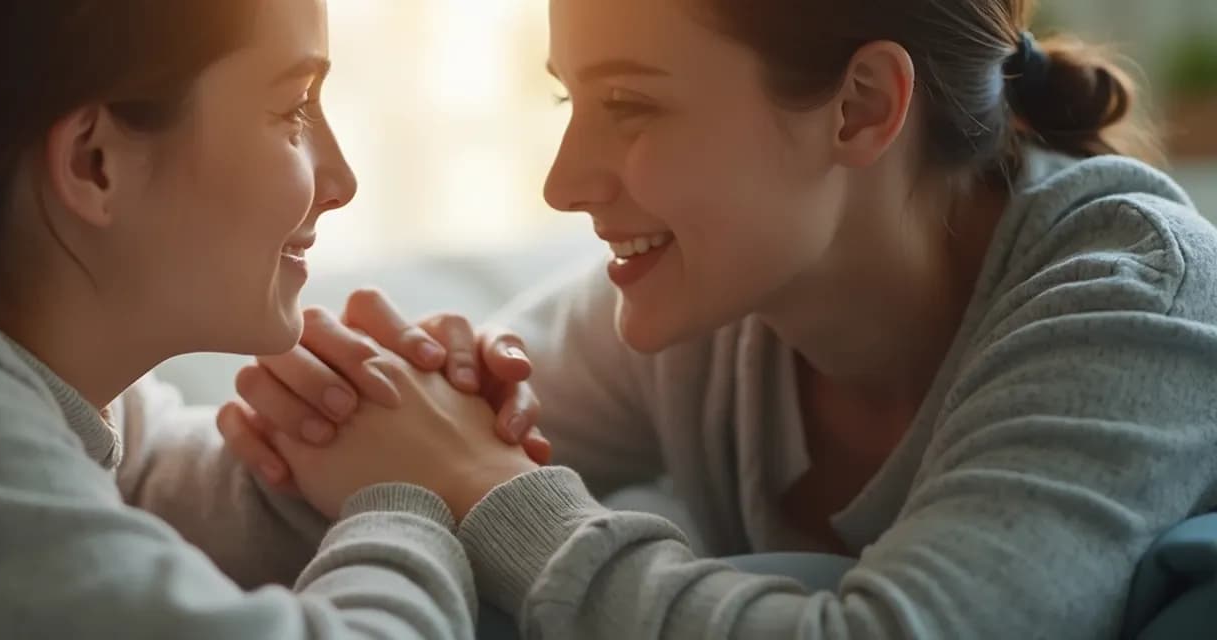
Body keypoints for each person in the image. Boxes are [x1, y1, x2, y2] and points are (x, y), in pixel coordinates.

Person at [222, 0, 1217, 637]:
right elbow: (402, 449)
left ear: (861, 106)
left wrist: (485, 485)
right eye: (570, 101)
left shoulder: (1133, 298)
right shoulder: (716, 305)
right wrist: (383, 411)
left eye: (630, 105)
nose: (564, 182)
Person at [0, 1, 545, 637]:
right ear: (94, 162)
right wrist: (411, 499)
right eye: (292, 110)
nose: (343, 177)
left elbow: (148, 489)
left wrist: (390, 424)